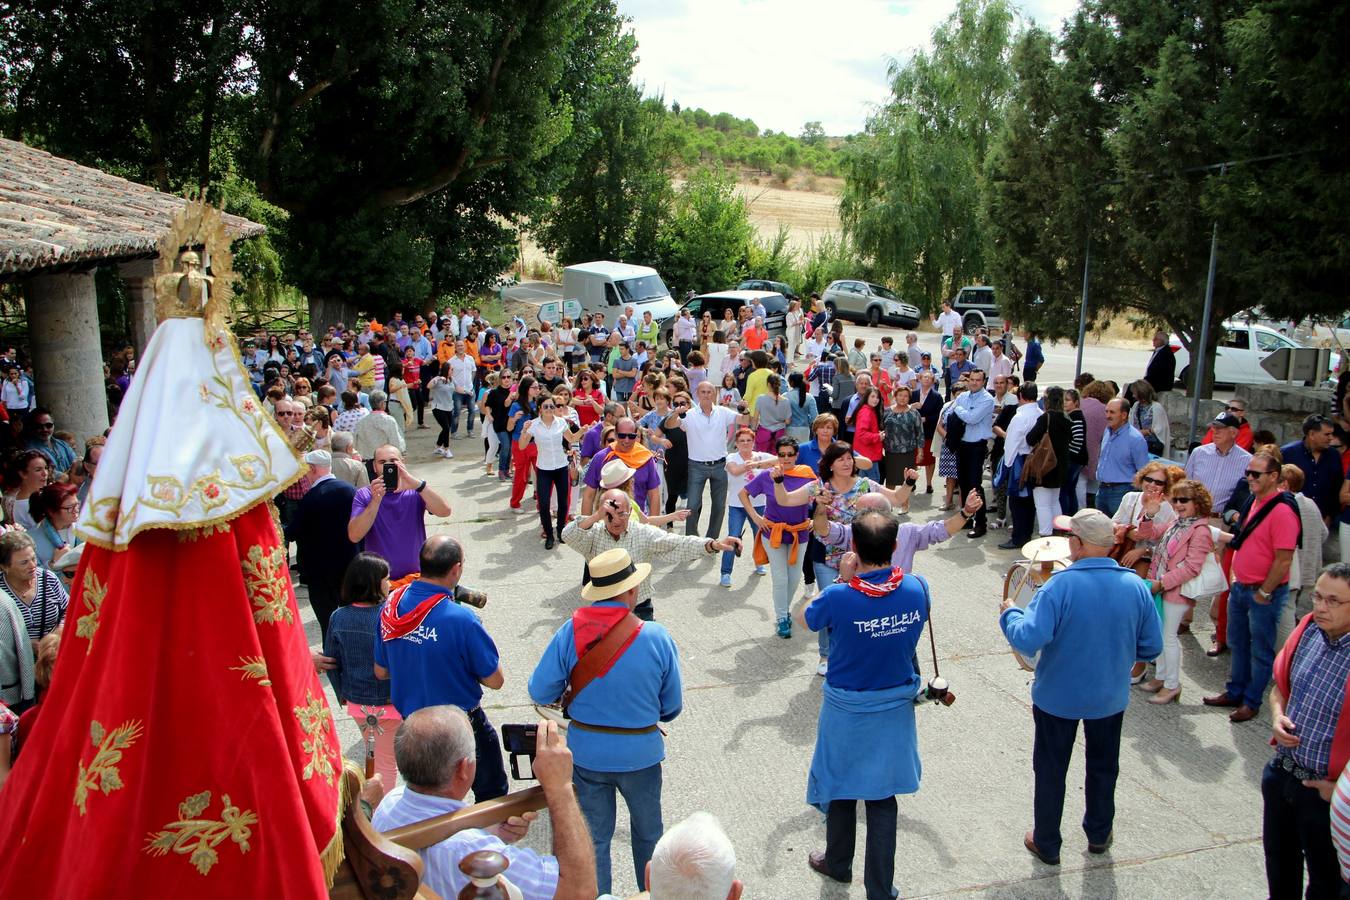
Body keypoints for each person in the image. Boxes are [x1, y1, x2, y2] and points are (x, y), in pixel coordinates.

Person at [1000, 508, 1163, 865]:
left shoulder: (1061, 585)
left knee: (1051, 769)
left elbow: (1028, 639)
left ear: (1076, 543)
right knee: (1104, 767)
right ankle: (1099, 834)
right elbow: (1152, 646)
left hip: (1058, 697)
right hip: (1109, 697)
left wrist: (1010, 611)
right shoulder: (1135, 585)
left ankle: (1047, 841)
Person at [528, 547, 684, 896]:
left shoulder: (569, 631)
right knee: (648, 834)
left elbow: (539, 690)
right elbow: (671, 708)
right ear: (630, 591)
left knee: (594, 838)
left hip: (586, 754)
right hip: (641, 756)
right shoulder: (656, 636)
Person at [795, 510, 929, 900]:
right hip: (893, 703)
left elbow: (804, 618)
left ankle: (838, 863)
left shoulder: (840, 594)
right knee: (882, 798)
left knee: (840, 786)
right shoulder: (918, 588)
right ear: (894, 547)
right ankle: (880, 889)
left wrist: (842, 578)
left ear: (853, 547)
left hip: (847, 707)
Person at [372, 709, 597, 900]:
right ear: (464, 768)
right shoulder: (471, 852)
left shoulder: (388, 805)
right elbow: (580, 891)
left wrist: (490, 831)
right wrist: (561, 787)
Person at [374, 536, 507, 802]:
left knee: (427, 804)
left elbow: (381, 671)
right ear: (456, 569)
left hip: (414, 729)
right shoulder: (462, 620)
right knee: (492, 797)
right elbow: (495, 680)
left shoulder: (391, 608)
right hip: (461, 727)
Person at [1262, 563, 1350, 899]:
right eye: (1317, 597)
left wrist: (1339, 790)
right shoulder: (1307, 630)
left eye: (1333, 601)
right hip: (1281, 774)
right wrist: (1277, 714)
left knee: (1325, 883)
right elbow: (1280, 688)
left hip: (1323, 794)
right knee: (1279, 867)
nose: (1320, 607)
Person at [1204, 451, 1302, 723]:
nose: (1249, 478)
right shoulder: (1254, 501)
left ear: (1274, 477)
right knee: (1237, 642)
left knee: (1260, 648)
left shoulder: (1282, 511)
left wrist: (1264, 592)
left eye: (1256, 474)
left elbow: (1284, 560)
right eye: (1248, 473)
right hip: (1242, 586)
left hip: (1263, 591)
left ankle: (1251, 701)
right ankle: (1235, 692)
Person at [563, 488, 740, 620]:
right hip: (604, 608)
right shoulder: (592, 534)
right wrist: (595, 517)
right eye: (609, 514)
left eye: (621, 513)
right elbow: (567, 535)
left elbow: (677, 544)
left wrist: (712, 544)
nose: (616, 519)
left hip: (640, 607)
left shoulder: (643, 532)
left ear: (631, 511)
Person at [322, 552, 400, 787]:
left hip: (358, 703)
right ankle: (381, 818)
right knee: (386, 764)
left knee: (374, 756)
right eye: (386, 578)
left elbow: (331, 662)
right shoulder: (390, 614)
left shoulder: (338, 616)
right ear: (374, 583)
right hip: (391, 701)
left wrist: (343, 695)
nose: (390, 583)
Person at [1135, 479, 1216, 704]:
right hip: (1160, 586)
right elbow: (1149, 534)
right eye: (1176, 499)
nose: (1178, 504)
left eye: (1184, 500)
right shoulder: (1177, 522)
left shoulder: (1200, 530)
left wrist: (1162, 583)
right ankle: (1161, 677)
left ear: (1197, 503)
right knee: (1160, 633)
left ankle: (1172, 685)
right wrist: (1150, 515)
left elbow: (1192, 567)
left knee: (1168, 637)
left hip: (1175, 591)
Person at [348, 444, 452, 581]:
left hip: (415, 577)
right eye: (382, 462)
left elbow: (445, 511)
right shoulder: (365, 494)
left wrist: (419, 486)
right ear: (374, 467)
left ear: (403, 462)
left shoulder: (416, 490)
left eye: (393, 460)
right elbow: (354, 535)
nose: (389, 465)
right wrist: (375, 501)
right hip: (380, 580)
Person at [284, 449, 358, 640]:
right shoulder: (350, 490)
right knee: (352, 621)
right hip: (350, 566)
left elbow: (292, 532)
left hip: (320, 572)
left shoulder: (311, 497)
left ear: (312, 468)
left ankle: (333, 661)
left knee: (328, 624)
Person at [678, 381, 746, 538]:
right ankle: (692, 541)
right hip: (696, 466)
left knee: (719, 507)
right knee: (692, 505)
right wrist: (676, 413)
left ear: (714, 394)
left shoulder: (723, 411)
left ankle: (711, 541)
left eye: (709, 391)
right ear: (697, 394)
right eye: (703, 391)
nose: (707, 394)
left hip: (720, 465)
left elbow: (745, 421)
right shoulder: (688, 415)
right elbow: (672, 424)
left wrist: (746, 409)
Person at [518, 394, 585, 549]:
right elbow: (522, 446)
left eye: (552, 406)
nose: (549, 409)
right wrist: (523, 430)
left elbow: (572, 438)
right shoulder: (533, 425)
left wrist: (582, 430)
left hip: (561, 467)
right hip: (544, 469)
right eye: (546, 406)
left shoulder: (561, 422)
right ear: (540, 409)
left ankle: (561, 531)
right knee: (544, 504)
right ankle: (549, 534)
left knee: (563, 502)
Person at [582, 416, 663, 518]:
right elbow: (589, 495)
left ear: (637, 435)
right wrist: (586, 528)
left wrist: (652, 527)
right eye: (622, 435)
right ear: (615, 434)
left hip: (636, 523)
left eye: (631, 436)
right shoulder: (601, 457)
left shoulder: (646, 458)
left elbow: (654, 494)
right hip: (606, 524)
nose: (626, 440)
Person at [0, 529, 67, 647]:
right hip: (14, 661)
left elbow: (68, 609)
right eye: (24, 562)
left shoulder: (48, 579)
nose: (32, 565)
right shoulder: (2, 591)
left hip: (51, 655)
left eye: (33, 558)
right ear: (5, 567)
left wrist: (58, 633)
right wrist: (25, 645)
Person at [950, 368, 994, 538]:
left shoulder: (987, 399)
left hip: (977, 446)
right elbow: (956, 413)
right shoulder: (963, 396)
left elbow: (972, 418)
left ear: (983, 382)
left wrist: (958, 408)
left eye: (978, 380)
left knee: (975, 486)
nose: (974, 382)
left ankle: (981, 523)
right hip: (962, 445)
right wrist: (960, 408)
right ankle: (967, 517)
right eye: (972, 379)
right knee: (963, 483)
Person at [1023, 386, 1072, 536]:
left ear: (1047, 401)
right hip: (1060, 466)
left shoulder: (1046, 418)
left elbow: (1030, 438)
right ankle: (1058, 531)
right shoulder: (1067, 419)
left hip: (1044, 466)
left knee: (1042, 504)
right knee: (1054, 501)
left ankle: (1045, 535)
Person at [1282, 414, 1343, 526]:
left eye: (1332, 434)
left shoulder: (1334, 456)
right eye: (1327, 434)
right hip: (1290, 518)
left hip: (1321, 522)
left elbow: (1336, 489)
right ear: (1311, 434)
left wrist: (1329, 517)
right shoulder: (1287, 453)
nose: (1331, 438)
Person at [1095, 399, 1151, 517]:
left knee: (1119, 530)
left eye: (1112, 412)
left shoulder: (1135, 439)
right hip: (1102, 489)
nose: (1108, 416)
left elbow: (1143, 471)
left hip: (1121, 492)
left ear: (1124, 415)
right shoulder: (1107, 431)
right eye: (1106, 412)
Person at [25, 482, 80, 571]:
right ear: (51, 511)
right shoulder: (30, 540)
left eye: (77, 505)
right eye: (70, 508)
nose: (76, 510)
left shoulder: (86, 530)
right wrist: (52, 564)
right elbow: (32, 577)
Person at [23, 409, 75, 475]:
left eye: (48, 425)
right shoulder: (30, 450)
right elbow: (49, 474)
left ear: (53, 425)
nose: (45, 429)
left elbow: (77, 464)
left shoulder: (62, 444)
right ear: (32, 427)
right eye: (39, 426)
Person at [1128, 379, 1170, 455]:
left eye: (1134, 393)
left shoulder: (1156, 407)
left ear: (1141, 393)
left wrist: (1146, 432)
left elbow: (1160, 428)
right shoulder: (1136, 405)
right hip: (1136, 444)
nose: (1133, 395)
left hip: (1150, 447)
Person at [1143, 330, 1176, 395]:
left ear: (1162, 341)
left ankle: (1125, 405)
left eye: (1156, 339)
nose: (1153, 340)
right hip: (1152, 381)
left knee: (1132, 389)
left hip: (1160, 384)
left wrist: (1145, 382)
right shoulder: (1159, 350)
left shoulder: (1166, 353)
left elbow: (1157, 372)